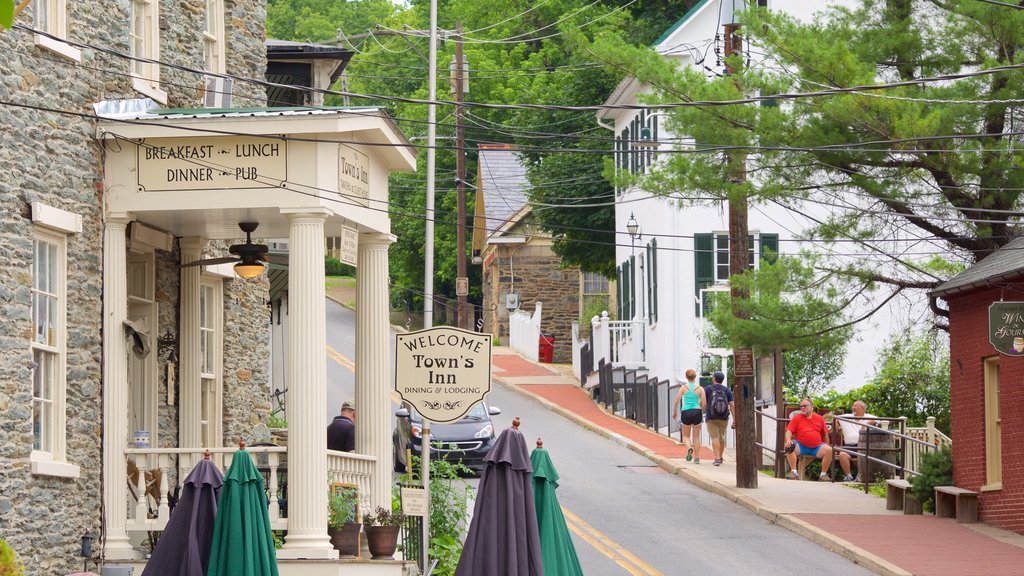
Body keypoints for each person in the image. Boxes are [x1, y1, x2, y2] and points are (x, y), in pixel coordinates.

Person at [784, 398, 833, 481]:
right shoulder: (797, 418)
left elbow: (825, 434)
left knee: (829, 450)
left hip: (817, 447)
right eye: (801, 406)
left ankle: (823, 474)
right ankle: (793, 472)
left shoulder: (819, 418)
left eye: (804, 406)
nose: (802, 408)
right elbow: (789, 431)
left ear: (811, 407)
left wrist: (827, 444)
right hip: (801, 446)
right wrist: (788, 440)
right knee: (789, 446)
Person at [835, 400, 878, 482]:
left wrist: (868, 423)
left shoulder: (868, 416)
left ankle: (861, 476)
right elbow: (835, 417)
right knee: (842, 454)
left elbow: (880, 420)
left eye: (856, 406)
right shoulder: (847, 416)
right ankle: (848, 476)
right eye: (853, 406)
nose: (853, 408)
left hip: (863, 446)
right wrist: (836, 422)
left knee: (865, 454)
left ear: (863, 408)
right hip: (849, 446)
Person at [672, 369, 706, 464]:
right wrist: (702, 412)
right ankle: (697, 458)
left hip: (686, 411)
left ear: (687, 377)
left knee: (686, 436)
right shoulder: (700, 388)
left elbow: (676, 400)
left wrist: (675, 412)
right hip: (697, 411)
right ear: (695, 377)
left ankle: (689, 448)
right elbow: (704, 402)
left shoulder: (683, 388)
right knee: (696, 437)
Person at [704, 371, 734, 466]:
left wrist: (702, 410)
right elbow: (732, 405)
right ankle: (720, 457)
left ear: (714, 379)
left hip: (711, 417)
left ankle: (717, 458)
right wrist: (735, 419)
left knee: (715, 437)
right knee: (721, 437)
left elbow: (703, 402)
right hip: (724, 417)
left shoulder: (708, 389)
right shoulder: (727, 390)